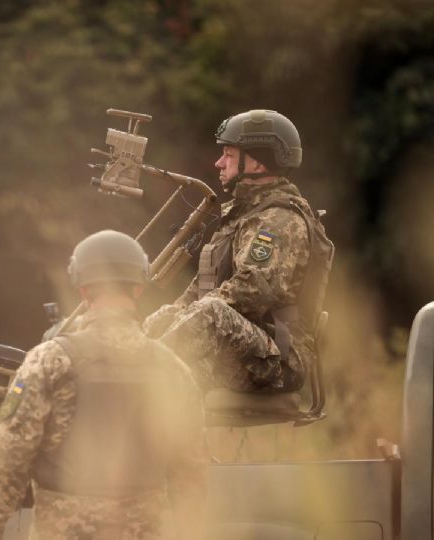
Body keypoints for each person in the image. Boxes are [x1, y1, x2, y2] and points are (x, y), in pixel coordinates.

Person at [0, 230, 208, 540]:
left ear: (83, 291)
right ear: (138, 289)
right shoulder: (173, 370)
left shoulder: (49, 361)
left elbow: (9, 457)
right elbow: (191, 474)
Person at [143, 109, 334, 393]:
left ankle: (139, 383)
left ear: (257, 163)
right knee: (157, 319)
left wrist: (185, 321)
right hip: (243, 346)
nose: (218, 163)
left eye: (229, 155)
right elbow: (197, 293)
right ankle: (135, 374)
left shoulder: (280, 220)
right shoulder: (242, 216)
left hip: (278, 358)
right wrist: (164, 321)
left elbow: (253, 292)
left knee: (210, 313)